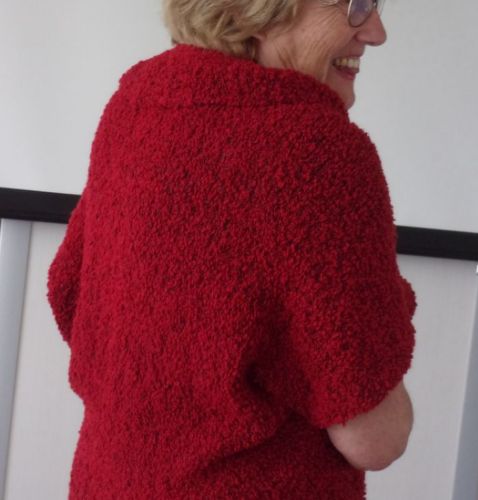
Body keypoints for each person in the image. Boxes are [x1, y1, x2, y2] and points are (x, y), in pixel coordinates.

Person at [46, 0, 417, 498]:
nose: (375, 31)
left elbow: (68, 291)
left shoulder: (137, 104)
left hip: (106, 483)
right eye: (355, 5)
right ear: (261, 9)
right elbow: (376, 439)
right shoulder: (318, 151)